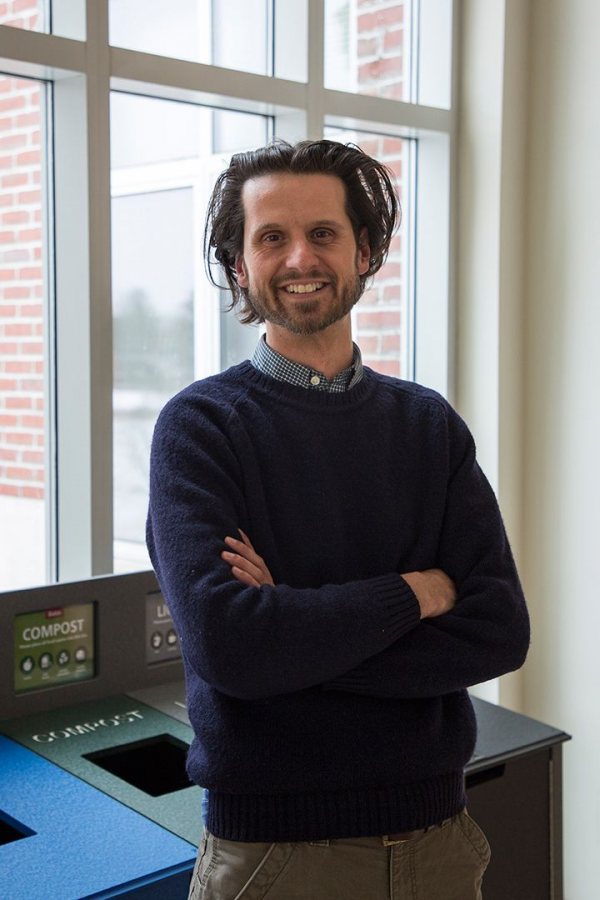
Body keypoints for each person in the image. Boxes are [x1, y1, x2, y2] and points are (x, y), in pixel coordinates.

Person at [146, 139, 530, 900]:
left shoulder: (427, 426)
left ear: (366, 250)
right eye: (271, 237)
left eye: (323, 233)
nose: (300, 258)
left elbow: (498, 630)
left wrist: (290, 633)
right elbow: (233, 648)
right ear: (237, 264)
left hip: (440, 845)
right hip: (274, 858)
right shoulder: (200, 428)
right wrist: (412, 595)